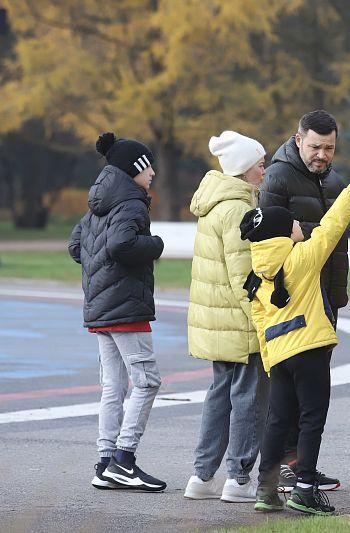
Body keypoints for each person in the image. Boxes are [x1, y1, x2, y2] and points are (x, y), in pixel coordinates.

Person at [242, 157, 350, 515]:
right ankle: (304, 490)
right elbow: (332, 226)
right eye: (294, 223)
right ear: (284, 234)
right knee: (311, 419)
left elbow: (261, 323)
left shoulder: (257, 275)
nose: (299, 224)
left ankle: (266, 490)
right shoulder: (301, 259)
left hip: (281, 357)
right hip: (311, 351)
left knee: (278, 420)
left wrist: (269, 363)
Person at [68, 132, 166, 492]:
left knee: (114, 386)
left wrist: (100, 267)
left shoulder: (98, 203)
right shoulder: (131, 203)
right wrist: (155, 245)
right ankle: (124, 460)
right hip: (125, 307)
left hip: (100, 307)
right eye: (148, 166)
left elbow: (76, 246)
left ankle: (105, 463)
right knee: (146, 381)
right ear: (134, 169)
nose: (153, 172)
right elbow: (122, 244)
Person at [259, 109, 345, 492]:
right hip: (293, 298)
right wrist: (319, 232)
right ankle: (290, 467)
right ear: (298, 141)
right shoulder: (278, 176)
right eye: (315, 146)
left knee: (312, 392)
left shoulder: (334, 180)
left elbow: (337, 246)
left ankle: (301, 464)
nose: (322, 155)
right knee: (291, 396)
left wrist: (337, 294)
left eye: (329, 148)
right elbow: (268, 234)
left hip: (326, 296)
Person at [183, 131, 269, 502]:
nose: (264, 170)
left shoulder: (215, 203)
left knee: (219, 396)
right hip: (240, 320)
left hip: (217, 322)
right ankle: (238, 478)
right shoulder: (238, 210)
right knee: (249, 399)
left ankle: (202, 477)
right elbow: (243, 276)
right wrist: (261, 319)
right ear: (243, 168)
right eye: (260, 164)